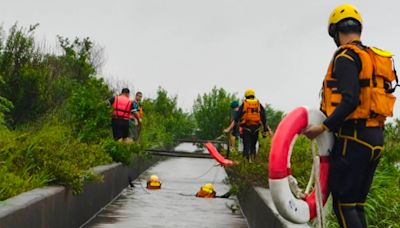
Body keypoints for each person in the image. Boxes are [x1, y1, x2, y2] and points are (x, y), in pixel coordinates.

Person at [303, 4, 397, 227]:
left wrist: (322, 127)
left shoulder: (345, 57)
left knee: (344, 205)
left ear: (336, 31)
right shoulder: (370, 56)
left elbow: (350, 100)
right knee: (356, 205)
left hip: (353, 140)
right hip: (375, 139)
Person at [234, 89, 268, 163]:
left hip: (246, 128)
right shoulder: (258, 104)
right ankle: (253, 161)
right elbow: (264, 117)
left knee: (246, 146)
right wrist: (265, 129)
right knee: (253, 146)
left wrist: (236, 126)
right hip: (256, 129)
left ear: (246, 96)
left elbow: (237, 117)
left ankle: (245, 163)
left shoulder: (244, 104)